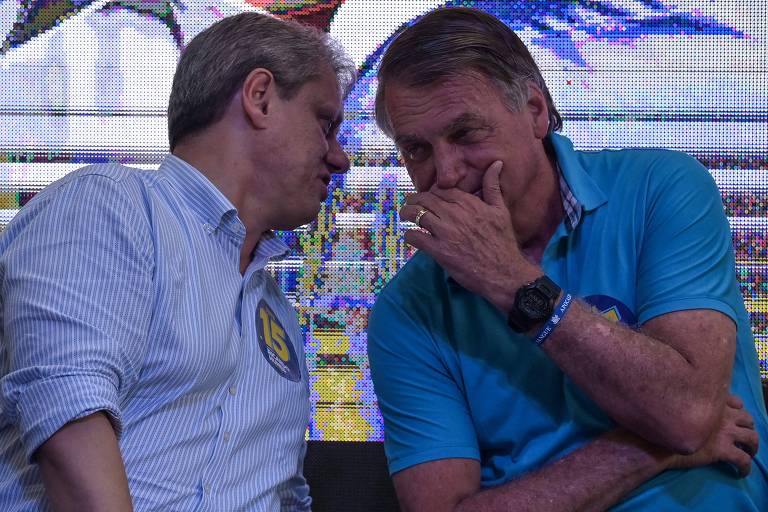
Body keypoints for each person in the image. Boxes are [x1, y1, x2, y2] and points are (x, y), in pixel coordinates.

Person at [367, 7, 768, 511]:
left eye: (467, 134)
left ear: (535, 109)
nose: (446, 173)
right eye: (417, 150)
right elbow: (687, 428)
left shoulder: (663, 190)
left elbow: (685, 411)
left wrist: (511, 282)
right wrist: (647, 451)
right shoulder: (407, 310)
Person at [0, 12, 354, 511]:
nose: (341, 158)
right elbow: (67, 417)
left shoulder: (277, 313)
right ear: (260, 97)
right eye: (326, 124)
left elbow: (285, 495)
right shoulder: (112, 205)